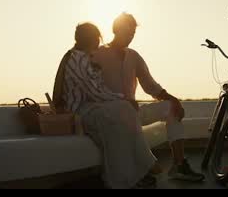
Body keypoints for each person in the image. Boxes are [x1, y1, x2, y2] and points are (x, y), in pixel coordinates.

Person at [92, 13, 205, 182]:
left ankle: (179, 166)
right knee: (125, 117)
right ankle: (142, 169)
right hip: (112, 115)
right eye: (126, 32)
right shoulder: (98, 54)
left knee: (171, 107)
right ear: (116, 30)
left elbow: (150, 86)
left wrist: (173, 99)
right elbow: (92, 88)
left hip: (134, 112)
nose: (130, 37)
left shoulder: (134, 56)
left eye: (132, 34)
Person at [52, 22, 158, 189]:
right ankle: (142, 164)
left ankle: (125, 178)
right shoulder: (78, 60)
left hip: (91, 108)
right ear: (91, 39)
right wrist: (124, 99)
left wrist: (122, 101)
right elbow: (96, 92)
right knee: (124, 110)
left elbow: (98, 91)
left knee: (121, 120)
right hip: (79, 114)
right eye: (96, 38)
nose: (98, 42)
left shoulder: (84, 58)